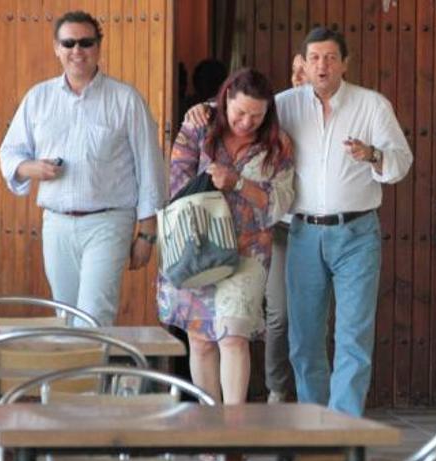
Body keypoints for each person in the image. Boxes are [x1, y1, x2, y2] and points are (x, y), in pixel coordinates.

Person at [0, 10, 165, 326]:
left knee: (94, 317)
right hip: (57, 223)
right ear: (56, 48)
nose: (77, 51)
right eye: (69, 43)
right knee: (64, 316)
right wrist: (31, 168)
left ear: (98, 47)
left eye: (86, 43)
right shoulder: (38, 98)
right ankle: (72, 378)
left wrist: (147, 234)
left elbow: (149, 164)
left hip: (108, 222)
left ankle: (91, 377)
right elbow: (9, 153)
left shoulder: (125, 99)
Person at [279, 27, 412, 417]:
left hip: (357, 234)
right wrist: (203, 109)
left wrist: (372, 155)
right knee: (304, 339)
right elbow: (242, 120)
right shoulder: (284, 105)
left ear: (345, 63)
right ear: (302, 64)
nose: (323, 65)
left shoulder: (372, 105)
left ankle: (342, 430)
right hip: (302, 232)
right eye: (315, 58)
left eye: (331, 57)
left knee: (353, 336)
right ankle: (313, 423)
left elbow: (401, 161)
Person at [158, 68, 294, 411]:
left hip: (248, 249)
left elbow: (279, 203)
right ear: (225, 100)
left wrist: (237, 183)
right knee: (201, 340)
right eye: (239, 112)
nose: (247, 122)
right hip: (194, 247)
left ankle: (233, 430)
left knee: (234, 336)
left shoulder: (277, 144)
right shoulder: (198, 126)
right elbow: (176, 184)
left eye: (256, 115)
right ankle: (209, 423)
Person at [263, 52, 308, 404]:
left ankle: (312, 395)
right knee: (278, 315)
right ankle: (277, 389)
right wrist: (200, 109)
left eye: (304, 72)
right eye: (294, 71)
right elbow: (237, 110)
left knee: (315, 318)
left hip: (318, 228)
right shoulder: (278, 109)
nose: (298, 78)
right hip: (281, 226)